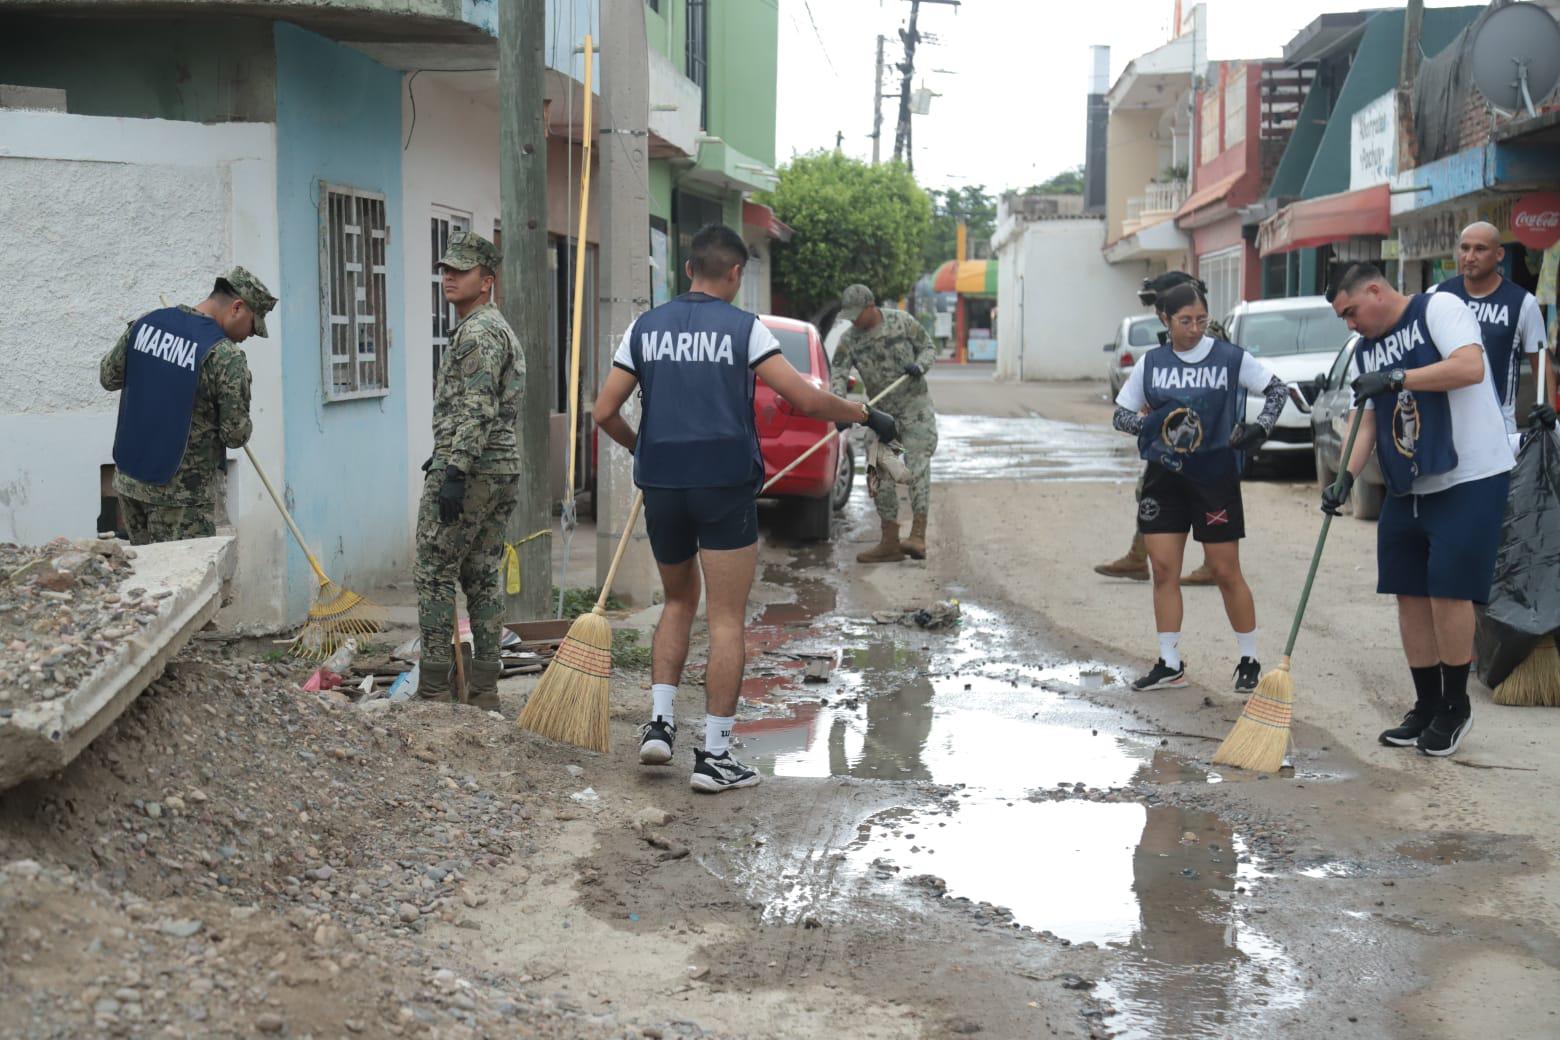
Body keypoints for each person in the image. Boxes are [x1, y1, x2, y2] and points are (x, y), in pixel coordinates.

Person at [593, 225, 897, 794]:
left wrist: (643, 450)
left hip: (663, 485)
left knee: (678, 601)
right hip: (724, 485)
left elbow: (604, 410)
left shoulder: (644, 327)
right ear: (734, 274)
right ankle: (714, 757)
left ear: (688, 269)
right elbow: (804, 398)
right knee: (727, 617)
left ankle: (659, 725)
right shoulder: (744, 328)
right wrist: (862, 414)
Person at [1323, 263, 1515, 757]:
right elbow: (1364, 422)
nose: (1350, 324)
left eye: (1350, 312)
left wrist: (1396, 377)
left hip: (1469, 475)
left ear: (1374, 289)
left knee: (1449, 593)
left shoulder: (1440, 308)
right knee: (1408, 593)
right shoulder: (1367, 349)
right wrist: (1345, 476)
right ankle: (1426, 705)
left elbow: (1469, 367)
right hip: (1409, 483)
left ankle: (1456, 709)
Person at [1111, 282, 1289, 694]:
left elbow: (1278, 390)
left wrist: (1259, 428)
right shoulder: (1152, 363)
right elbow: (1120, 415)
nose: (1194, 329)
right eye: (1185, 321)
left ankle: (1249, 659)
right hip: (1164, 478)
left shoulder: (1230, 357)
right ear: (1165, 320)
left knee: (1226, 570)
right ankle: (1169, 663)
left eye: (1202, 320)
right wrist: (1151, 427)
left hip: (1214, 477)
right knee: (1164, 572)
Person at [413, 231, 524, 710]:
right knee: (480, 573)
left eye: (461, 270)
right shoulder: (492, 327)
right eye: (446, 269)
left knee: (434, 569)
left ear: (488, 281)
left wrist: (454, 467)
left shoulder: (478, 332)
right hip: (498, 465)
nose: (449, 277)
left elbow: (477, 406)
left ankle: (435, 689)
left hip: (474, 466)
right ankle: (484, 690)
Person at [100, 268, 276, 545]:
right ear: (238, 308)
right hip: (181, 500)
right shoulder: (225, 356)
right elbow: (235, 435)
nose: (251, 334)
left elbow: (108, 377)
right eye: (254, 325)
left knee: (146, 578)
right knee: (180, 582)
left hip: (129, 480)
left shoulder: (147, 324)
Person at [1095, 271, 1227, 586]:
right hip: (1175, 432)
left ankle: (1213, 563)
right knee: (1153, 490)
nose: (1158, 311)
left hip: (1201, 434)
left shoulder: (1207, 334)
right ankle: (1139, 558)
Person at [831, 283, 938, 563]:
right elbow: (839, 373)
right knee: (879, 474)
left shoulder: (902, 322)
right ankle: (890, 541)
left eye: (857, 313)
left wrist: (920, 366)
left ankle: (917, 536)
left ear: (871, 306)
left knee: (915, 467)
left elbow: (928, 347)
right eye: (849, 315)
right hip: (882, 417)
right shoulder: (849, 340)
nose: (854, 320)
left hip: (914, 409)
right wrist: (840, 406)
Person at [1430, 222, 1555, 437]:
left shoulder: (1523, 303)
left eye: (1480, 249)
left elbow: (1541, 361)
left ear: (1499, 254)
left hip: (1498, 428)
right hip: (1445, 424)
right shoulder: (1437, 295)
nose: (1469, 257)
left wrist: (1550, 410)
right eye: (1464, 248)